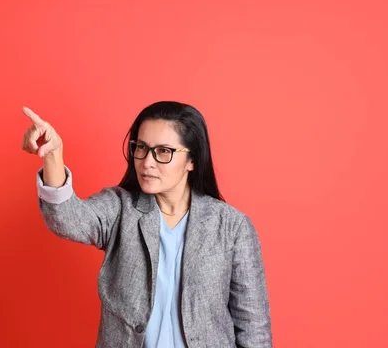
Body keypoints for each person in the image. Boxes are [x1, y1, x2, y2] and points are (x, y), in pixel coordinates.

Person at [21, 101, 272, 348]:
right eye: (141, 147)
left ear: (192, 161)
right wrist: (53, 155)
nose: (146, 161)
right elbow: (67, 219)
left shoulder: (232, 227)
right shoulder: (120, 208)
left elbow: (253, 325)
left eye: (164, 151)